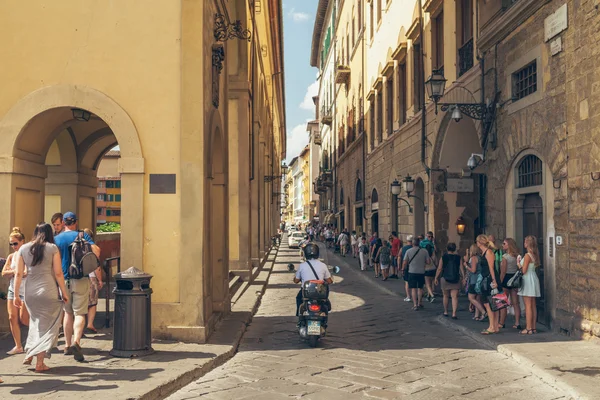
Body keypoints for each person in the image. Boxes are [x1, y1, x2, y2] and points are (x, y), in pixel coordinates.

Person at [13, 223, 69, 372]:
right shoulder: (52, 248)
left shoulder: (23, 249)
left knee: (35, 322)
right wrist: (64, 292)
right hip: (48, 290)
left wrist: (17, 294)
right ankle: (40, 363)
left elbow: (18, 274)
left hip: (30, 291)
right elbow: (58, 273)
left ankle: (29, 353)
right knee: (48, 326)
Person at [54, 212, 101, 362]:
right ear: (75, 222)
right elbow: (97, 252)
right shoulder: (82, 236)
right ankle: (76, 342)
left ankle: (67, 345)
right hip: (81, 278)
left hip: (64, 279)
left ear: (63, 223)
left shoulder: (57, 238)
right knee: (80, 313)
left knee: (67, 313)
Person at [2, 227, 30, 355]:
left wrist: (17, 273)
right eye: (11, 244)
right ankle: (18, 345)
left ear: (22, 242)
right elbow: (4, 272)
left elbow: (26, 273)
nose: (13, 246)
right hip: (13, 290)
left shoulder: (27, 255)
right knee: (12, 317)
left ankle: (37, 339)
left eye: (15, 243)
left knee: (24, 319)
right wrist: (15, 272)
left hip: (25, 290)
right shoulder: (11, 256)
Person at [293, 243, 333, 316]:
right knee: (325, 301)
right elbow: (329, 281)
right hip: (319, 292)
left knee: (299, 298)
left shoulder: (302, 266)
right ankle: (325, 314)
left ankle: (299, 315)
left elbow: (296, 280)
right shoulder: (323, 265)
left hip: (306, 292)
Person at [477, 234, 500, 335]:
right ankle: (494, 326)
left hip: (489, 279)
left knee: (489, 303)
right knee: (490, 303)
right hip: (486, 279)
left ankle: (492, 326)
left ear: (479, 242)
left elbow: (491, 268)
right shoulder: (484, 252)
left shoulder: (488, 252)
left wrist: (494, 281)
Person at [518, 235, 542, 335]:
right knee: (533, 305)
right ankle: (533, 327)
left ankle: (528, 328)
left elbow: (523, 270)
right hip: (533, 278)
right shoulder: (535, 254)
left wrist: (518, 263)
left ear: (527, 243)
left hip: (527, 278)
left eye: (525, 242)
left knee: (527, 305)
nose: (524, 243)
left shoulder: (527, 255)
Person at [84, 228, 104, 334]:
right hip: (91, 277)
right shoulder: (93, 248)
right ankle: (90, 324)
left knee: (80, 303)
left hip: (79, 278)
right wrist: (100, 280)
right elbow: (97, 266)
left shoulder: (77, 246)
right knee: (92, 302)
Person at [435, 243, 462, 319]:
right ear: (455, 249)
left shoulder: (443, 257)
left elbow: (439, 268)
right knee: (454, 297)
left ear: (447, 249)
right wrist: (463, 276)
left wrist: (436, 277)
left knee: (445, 296)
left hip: (445, 278)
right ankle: (454, 313)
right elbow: (461, 267)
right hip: (456, 278)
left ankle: (446, 311)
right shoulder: (458, 257)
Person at [402, 237, 431, 310]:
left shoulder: (408, 251)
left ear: (412, 243)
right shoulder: (424, 251)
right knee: (420, 288)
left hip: (412, 272)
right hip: (421, 272)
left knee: (413, 289)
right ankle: (420, 303)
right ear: (419, 243)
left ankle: (415, 305)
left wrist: (403, 269)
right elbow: (428, 262)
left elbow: (405, 262)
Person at [499, 238, 522, 330]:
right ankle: (517, 323)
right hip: (515, 278)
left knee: (503, 302)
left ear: (509, 245)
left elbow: (503, 271)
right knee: (516, 303)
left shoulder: (505, 257)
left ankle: (501, 322)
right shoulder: (517, 256)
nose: (502, 245)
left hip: (506, 279)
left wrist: (500, 282)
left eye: (504, 243)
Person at [466, 243, 486, 321]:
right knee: (478, 298)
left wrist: (466, 266)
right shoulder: (480, 257)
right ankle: (477, 315)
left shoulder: (474, 258)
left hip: (474, 280)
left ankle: (483, 312)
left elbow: (473, 270)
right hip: (480, 280)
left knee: (471, 297)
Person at [400, 236, 413, 302]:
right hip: (414, 267)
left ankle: (408, 296)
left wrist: (401, 268)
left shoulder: (403, 248)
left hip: (407, 267)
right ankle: (416, 296)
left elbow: (401, 258)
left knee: (407, 282)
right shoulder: (416, 248)